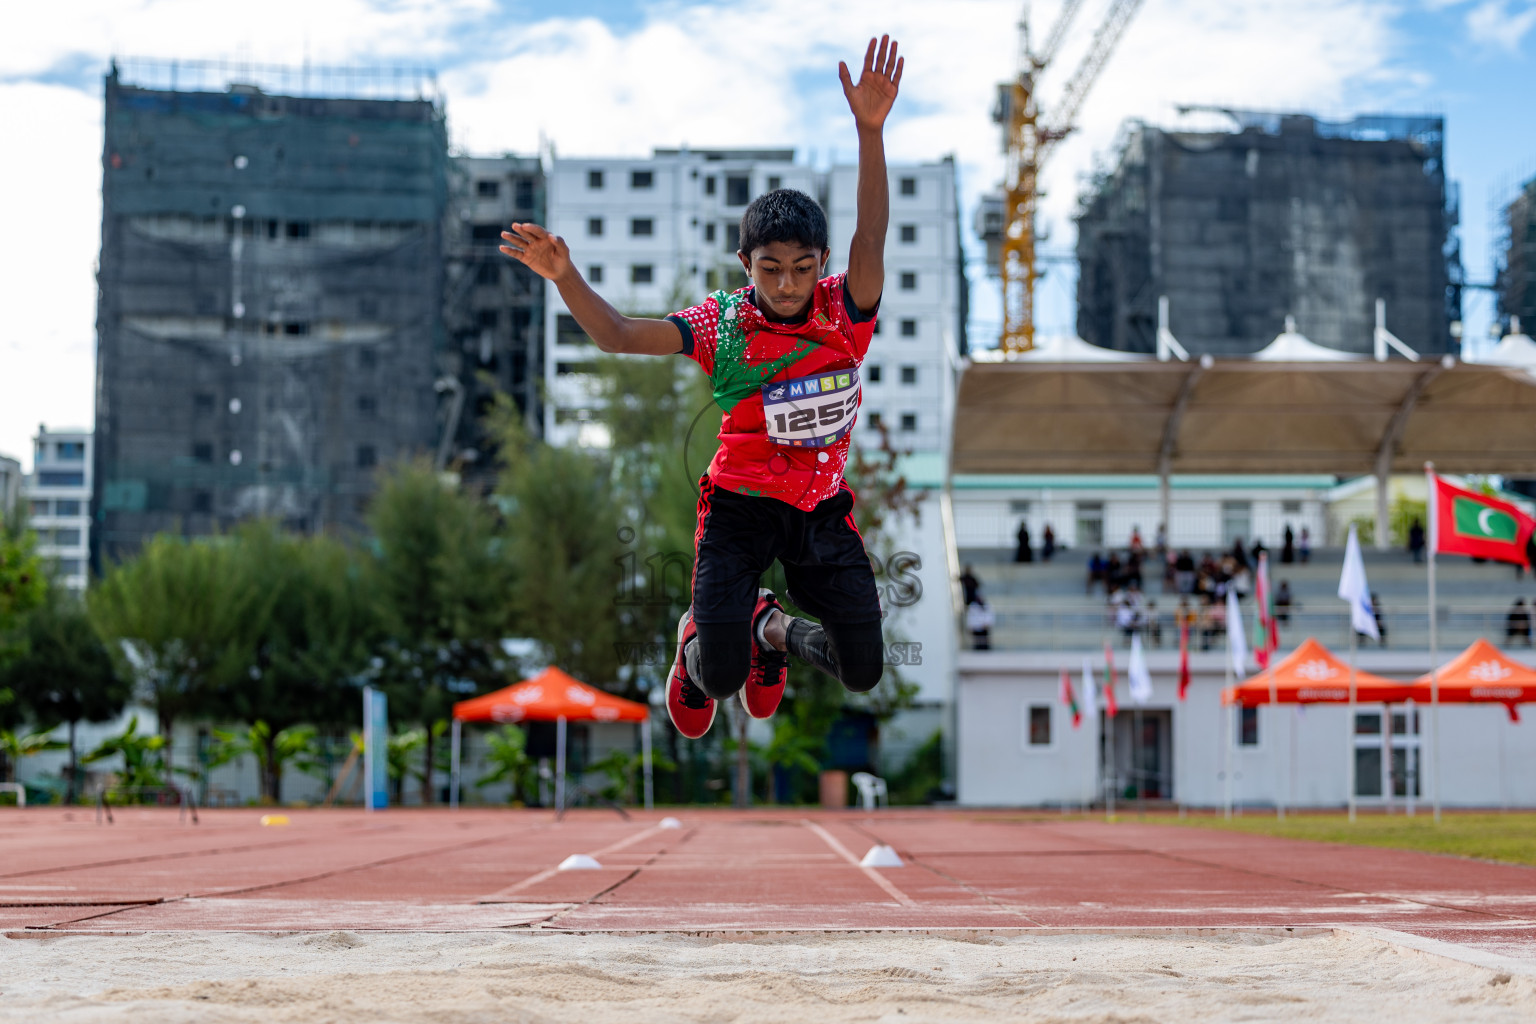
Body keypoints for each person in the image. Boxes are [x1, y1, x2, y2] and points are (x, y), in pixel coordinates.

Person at [499, 36, 905, 739]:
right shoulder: (724, 324)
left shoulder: (845, 311)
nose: (786, 285)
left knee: (862, 668)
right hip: (739, 510)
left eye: (802, 269)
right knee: (717, 680)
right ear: (745, 263)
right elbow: (620, 335)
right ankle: (705, 643)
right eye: (770, 269)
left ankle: (769, 631)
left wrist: (870, 133)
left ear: (822, 265)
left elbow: (872, 234)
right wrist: (565, 277)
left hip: (818, 510)